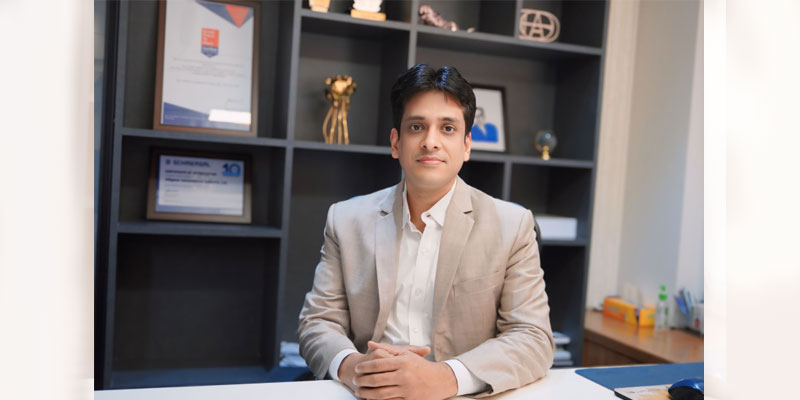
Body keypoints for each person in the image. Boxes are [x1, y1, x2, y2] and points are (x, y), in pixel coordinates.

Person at [298, 64, 554, 399]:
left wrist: (446, 377)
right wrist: (354, 368)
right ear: (396, 142)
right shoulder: (345, 220)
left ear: (466, 145)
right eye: (416, 127)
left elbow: (533, 337)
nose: (430, 142)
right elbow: (318, 322)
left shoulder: (512, 225)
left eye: (447, 128)